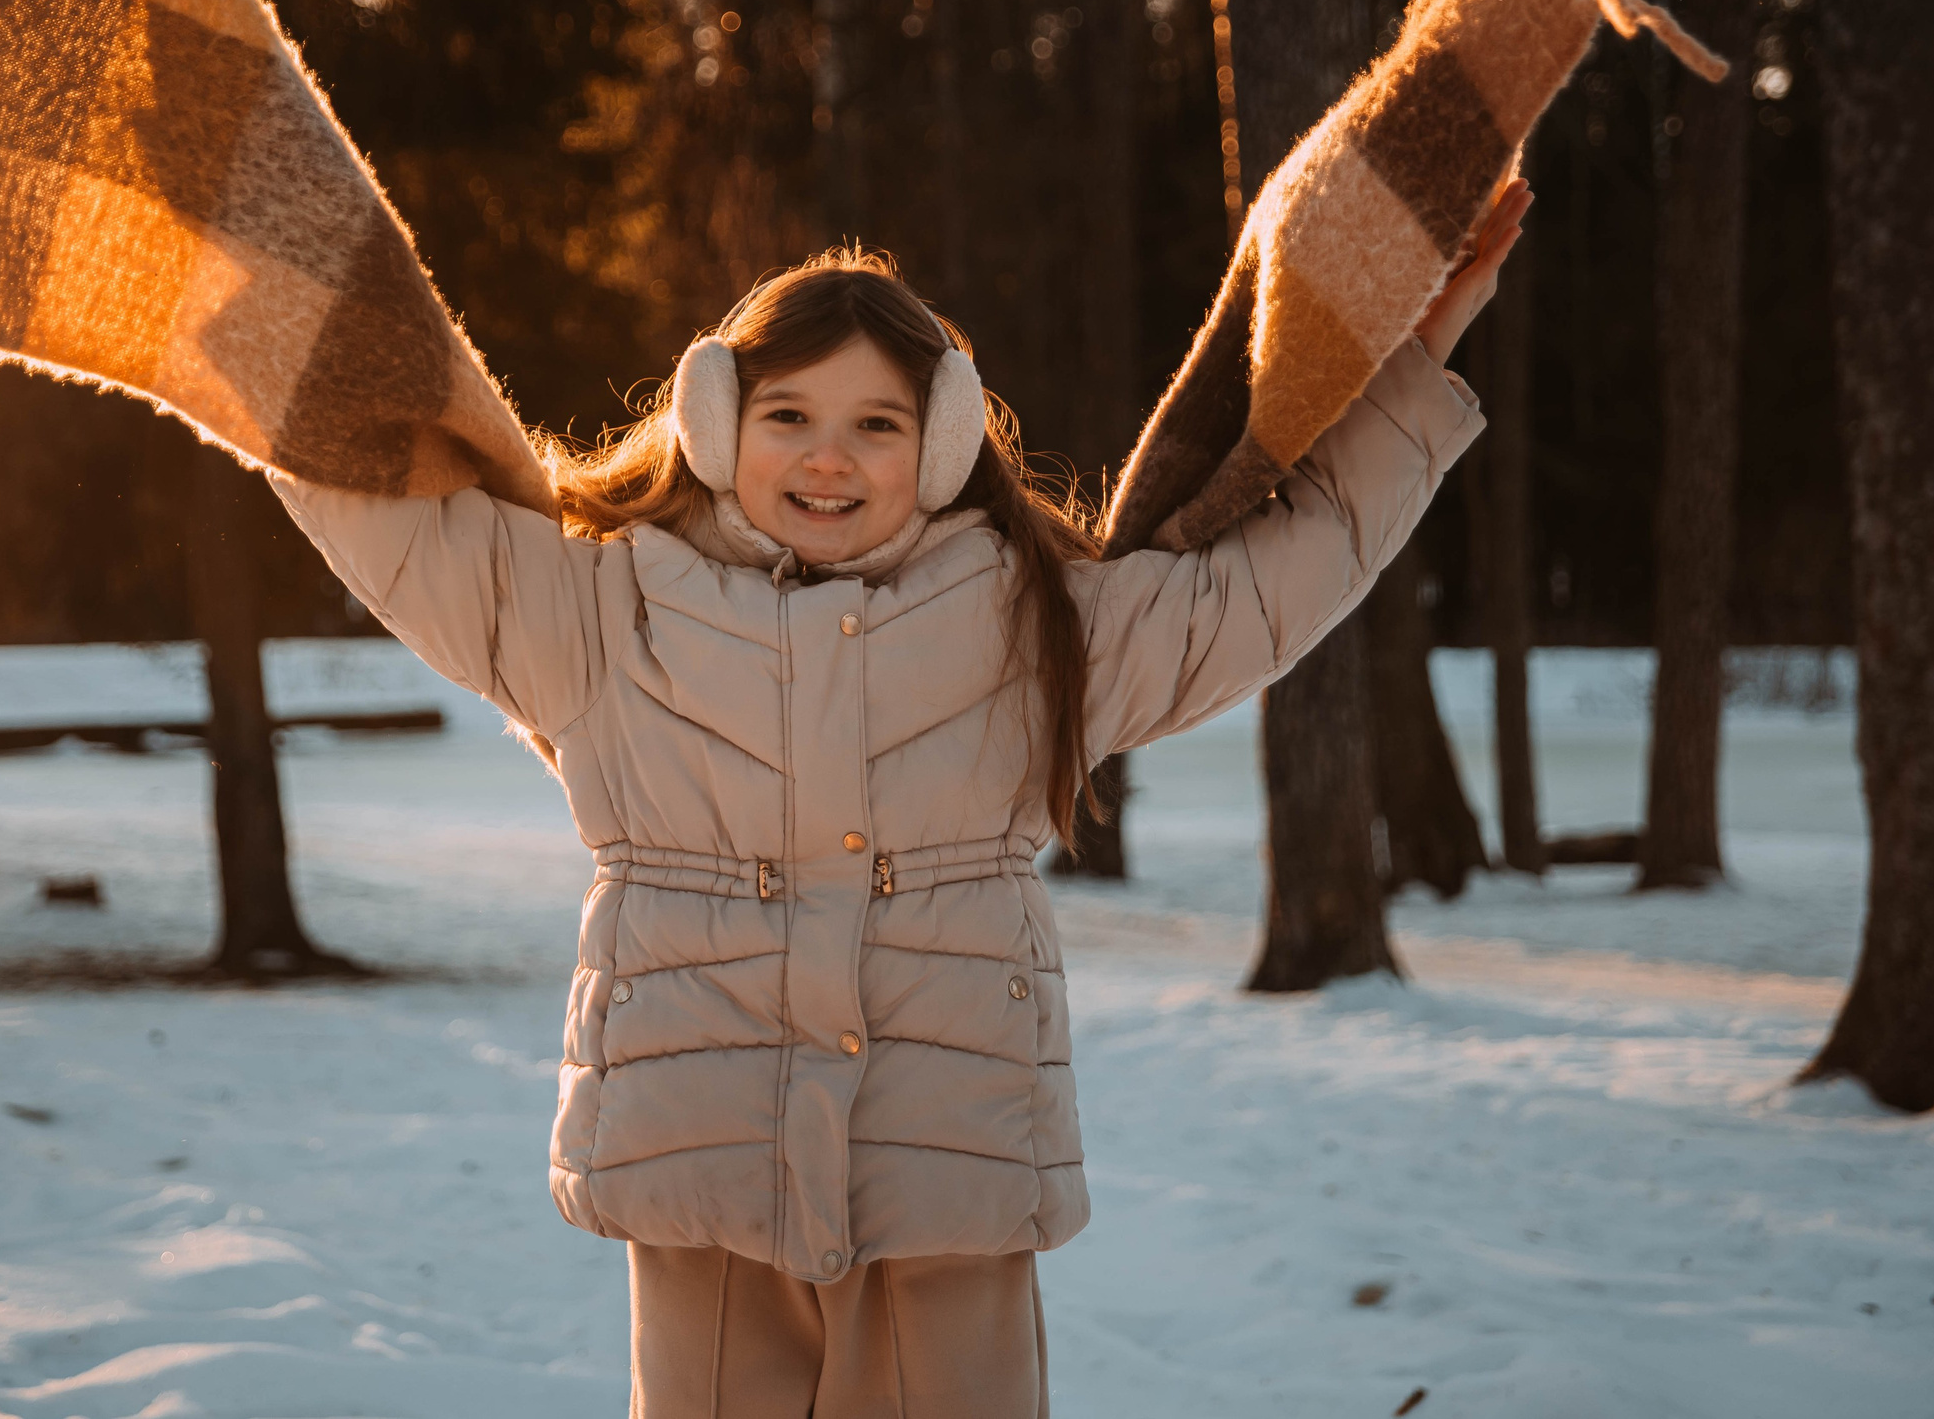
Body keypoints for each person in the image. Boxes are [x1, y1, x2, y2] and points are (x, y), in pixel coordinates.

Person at [272, 181, 1527, 1417]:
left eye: (879, 422)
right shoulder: (601, 612)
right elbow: (383, 513)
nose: (828, 455)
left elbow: (1270, 582)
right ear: (714, 423)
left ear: (939, 446)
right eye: (787, 413)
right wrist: (246, 315)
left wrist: (1413, 360)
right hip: (708, 1171)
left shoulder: (1032, 620)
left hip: (945, 1169)